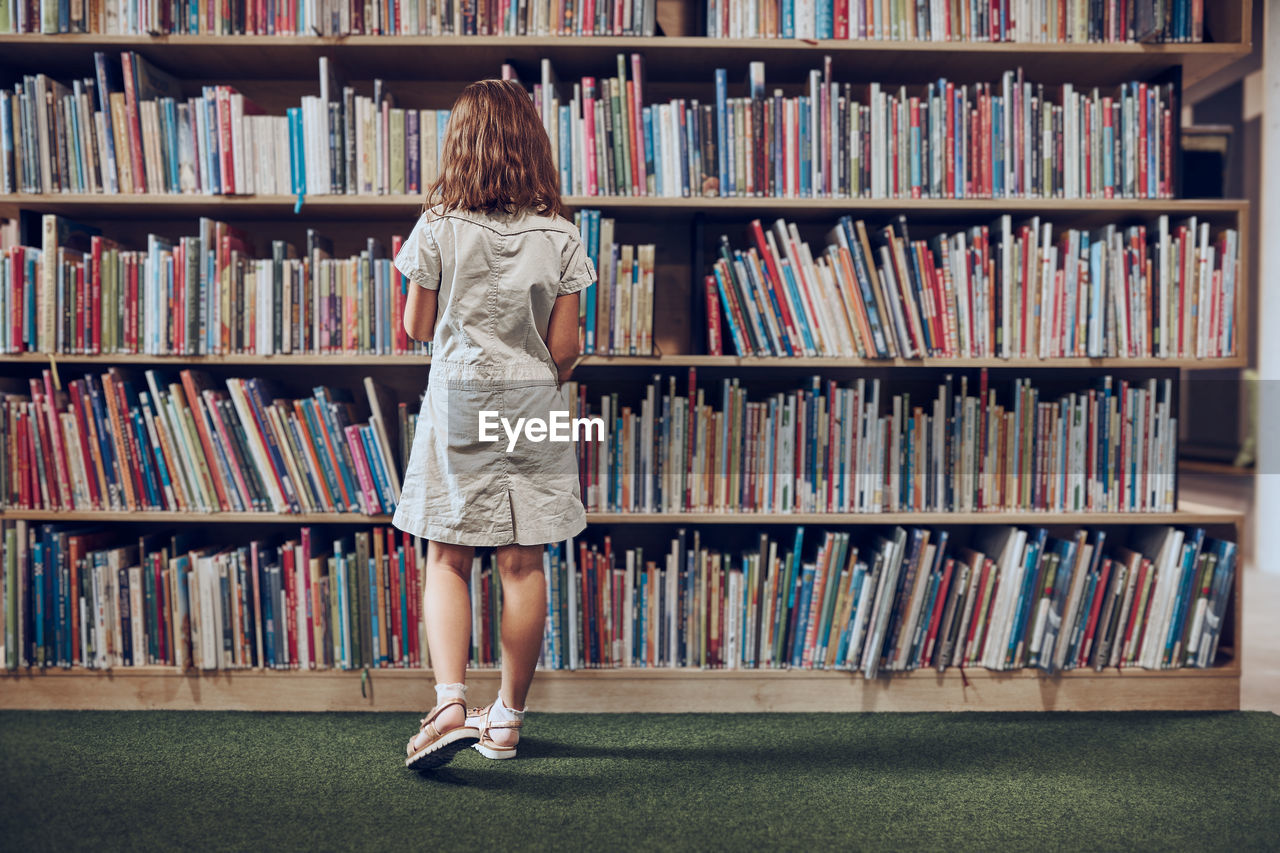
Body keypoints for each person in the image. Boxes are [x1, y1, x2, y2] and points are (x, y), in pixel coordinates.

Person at [394, 79, 594, 770]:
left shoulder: (438, 224)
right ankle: (505, 720)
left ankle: (450, 703)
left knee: (448, 553)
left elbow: (416, 326)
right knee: (523, 559)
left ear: (462, 146)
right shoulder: (562, 234)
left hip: (460, 397)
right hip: (534, 402)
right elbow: (565, 349)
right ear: (531, 147)